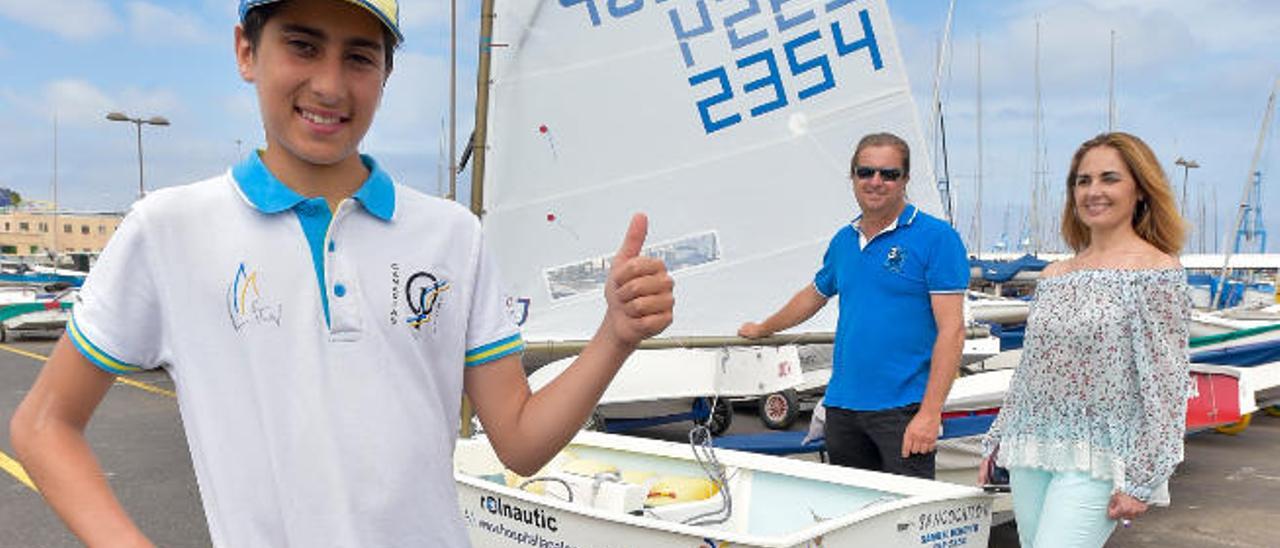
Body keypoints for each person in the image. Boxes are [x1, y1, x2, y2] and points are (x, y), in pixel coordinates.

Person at [8, 1, 674, 546]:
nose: (329, 84)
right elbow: (42, 427)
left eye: (359, 57)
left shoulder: (451, 236)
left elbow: (521, 443)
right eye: (302, 45)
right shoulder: (167, 229)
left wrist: (613, 335)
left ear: (386, 72)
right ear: (246, 50)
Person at [979, 132, 1191, 547]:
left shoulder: (1157, 273)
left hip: (1099, 455)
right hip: (1031, 447)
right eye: (1083, 180)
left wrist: (1144, 477)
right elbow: (1030, 372)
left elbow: (1166, 385)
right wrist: (996, 441)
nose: (1093, 191)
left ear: (1141, 191)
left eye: (1109, 179)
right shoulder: (1055, 275)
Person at [739, 132, 968, 479]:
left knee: (902, 523)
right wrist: (763, 328)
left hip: (903, 410)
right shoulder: (844, 241)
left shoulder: (937, 238)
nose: (876, 182)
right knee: (853, 518)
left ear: (905, 179)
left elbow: (952, 331)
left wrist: (930, 413)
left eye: (889, 174)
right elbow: (813, 295)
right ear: (853, 177)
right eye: (866, 172)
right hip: (842, 408)